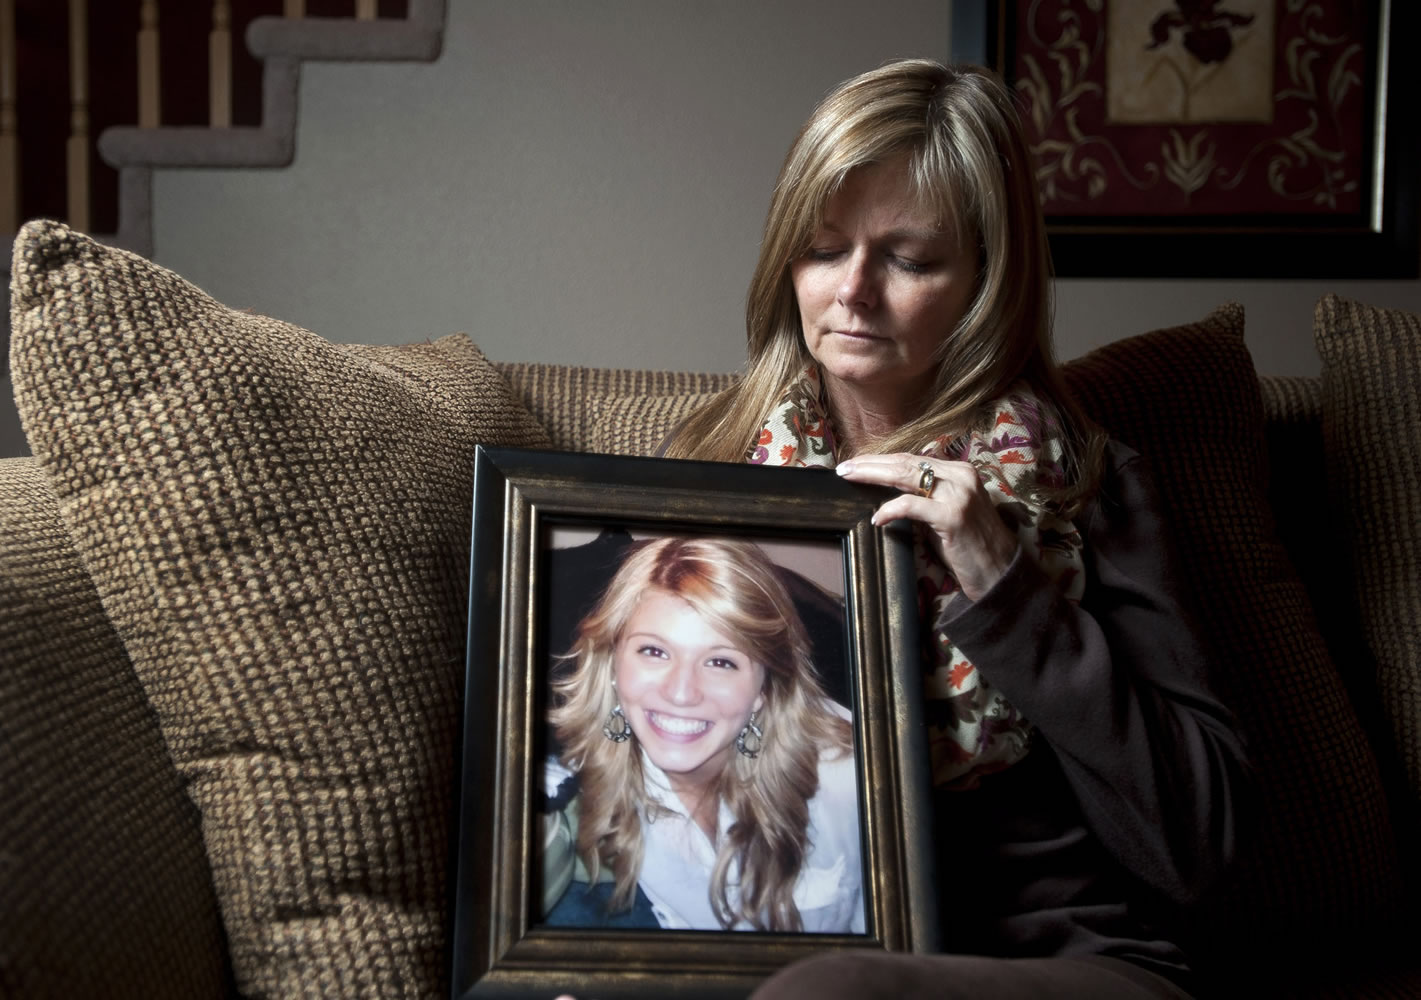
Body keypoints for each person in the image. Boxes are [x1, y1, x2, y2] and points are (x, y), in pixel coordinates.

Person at [660, 60, 1250, 998]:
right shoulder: (704, 473)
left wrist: (1008, 588)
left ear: (984, 280)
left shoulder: (1086, 484)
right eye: (822, 248)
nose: (852, 291)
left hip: (1066, 962)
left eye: (909, 259)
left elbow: (1197, 846)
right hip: (780, 938)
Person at [541, 535, 864, 933]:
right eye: (654, 652)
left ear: (765, 686)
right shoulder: (580, 783)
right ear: (612, 663)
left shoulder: (854, 773)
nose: (681, 693)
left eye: (720, 661)